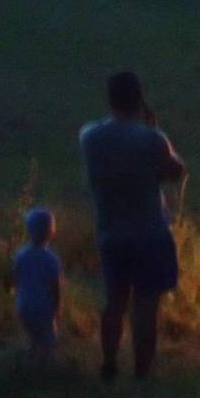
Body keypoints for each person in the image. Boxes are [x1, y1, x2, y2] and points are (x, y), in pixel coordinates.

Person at [79, 71, 185, 382]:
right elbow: (176, 171)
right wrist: (156, 130)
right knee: (146, 306)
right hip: (150, 232)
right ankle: (142, 372)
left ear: (109, 98)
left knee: (114, 301)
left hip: (111, 232)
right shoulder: (151, 139)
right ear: (139, 99)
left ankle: (109, 363)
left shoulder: (89, 136)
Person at [14, 207, 62, 363]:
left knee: (32, 335)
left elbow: (16, 277)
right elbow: (55, 287)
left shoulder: (20, 255)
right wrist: (56, 307)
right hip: (43, 305)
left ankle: (31, 361)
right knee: (49, 337)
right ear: (52, 232)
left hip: (24, 303)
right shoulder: (51, 259)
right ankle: (48, 365)